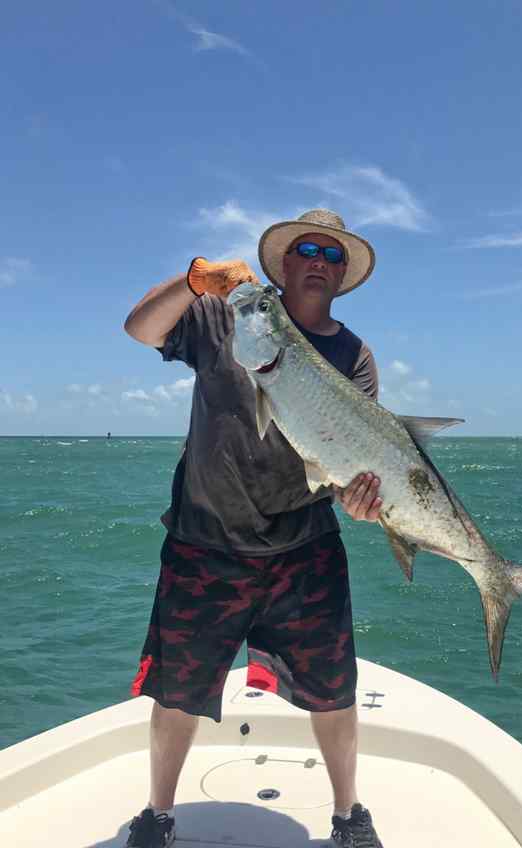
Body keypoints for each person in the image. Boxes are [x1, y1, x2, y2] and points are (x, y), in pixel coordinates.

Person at [123, 209, 385, 848]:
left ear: (342, 274)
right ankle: (158, 814)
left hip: (305, 546)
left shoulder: (354, 356)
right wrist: (194, 280)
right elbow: (140, 328)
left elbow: (351, 460)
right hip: (204, 543)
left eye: (332, 254)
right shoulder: (227, 318)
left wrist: (361, 499)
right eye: (308, 250)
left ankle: (348, 814)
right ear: (284, 263)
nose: (319, 261)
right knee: (177, 691)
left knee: (335, 690)